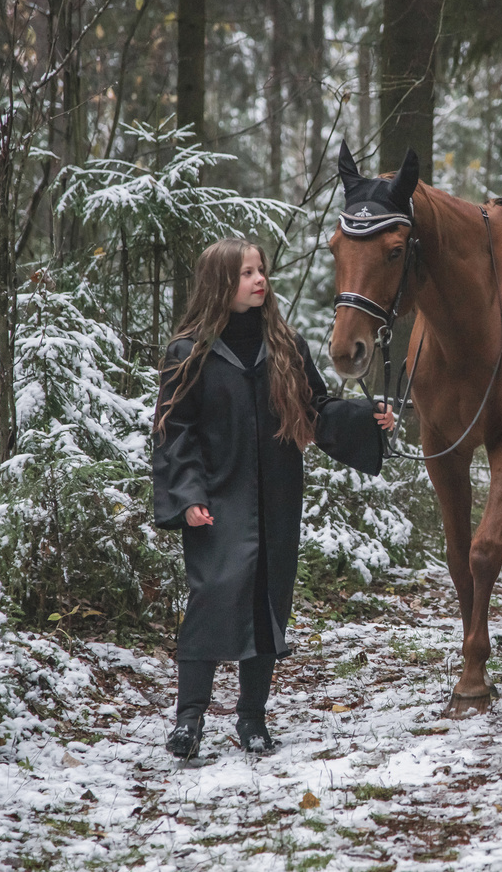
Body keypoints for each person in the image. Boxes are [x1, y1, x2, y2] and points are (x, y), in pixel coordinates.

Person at [152, 237, 394, 758]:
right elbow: (175, 430)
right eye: (246, 273)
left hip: (278, 496)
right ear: (221, 283)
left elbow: (317, 409)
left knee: (267, 606)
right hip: (217, 497)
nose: (260, 280)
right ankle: (188, 720)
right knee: (212, 599)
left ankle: (252, 718)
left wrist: (369, 422)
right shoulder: (188, 351)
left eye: (260, 270)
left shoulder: (285, 344)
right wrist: (189, 493)